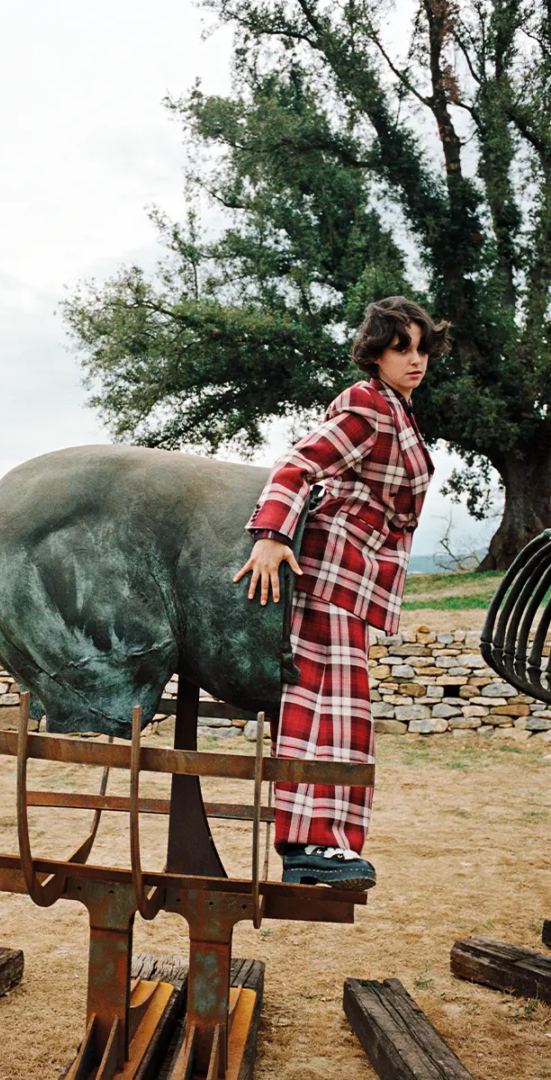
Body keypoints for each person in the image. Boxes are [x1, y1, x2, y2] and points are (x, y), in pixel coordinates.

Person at [234, 296, 449, 890]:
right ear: (376, 353)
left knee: (345, 713)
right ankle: (309, 847)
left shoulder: (398, 410)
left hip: (353, 578)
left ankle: (329, 845)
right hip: (328, 570)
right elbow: (298, 464)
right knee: (321, 710)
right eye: (401, 348)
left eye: (421, 348)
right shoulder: (365, 404)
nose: (415, 359)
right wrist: (272, 535)